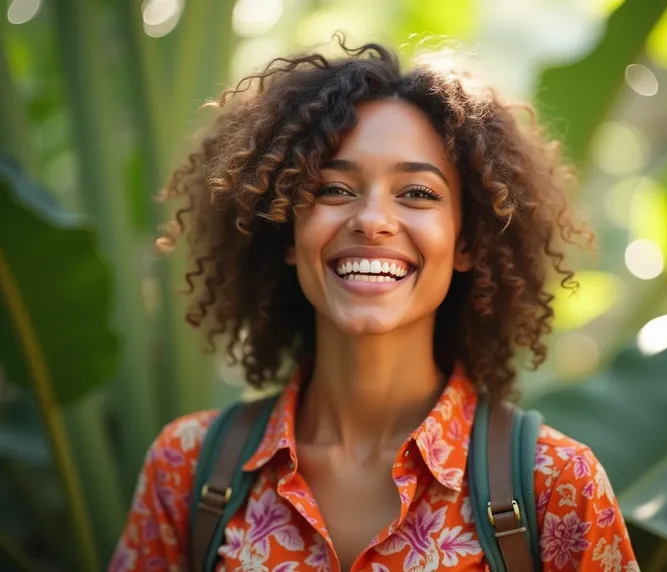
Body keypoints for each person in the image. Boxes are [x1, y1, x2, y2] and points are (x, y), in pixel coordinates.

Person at [111, 38, 638, 571]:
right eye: (334, 189)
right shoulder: (187, 467)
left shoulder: (555, 485)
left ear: (466, 243)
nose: (371, 219)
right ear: (288, 234)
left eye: (417, 193)